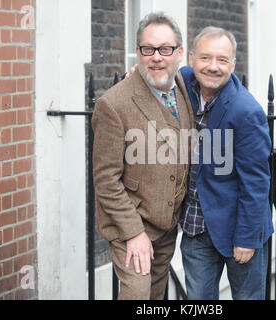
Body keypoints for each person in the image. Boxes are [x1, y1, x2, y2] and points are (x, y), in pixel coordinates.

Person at [91, 12, 193, 300]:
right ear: (138, 52)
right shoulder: (112, 104)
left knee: (156, 298)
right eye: (148, 49)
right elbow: (105, 180)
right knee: (137, 294)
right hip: (131, 225)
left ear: (179, 53)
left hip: (167, 225)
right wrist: (134, 233)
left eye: (165, 49)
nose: (157, 57)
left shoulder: (185, 86)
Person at [179, 26, 273, 300]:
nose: (213, 66)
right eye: (206, 58)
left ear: (233, 64)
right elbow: (158, 70)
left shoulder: (246, 111)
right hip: (196, 226)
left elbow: (255, 183)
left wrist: (246, 237)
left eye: (222, 60)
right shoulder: (184, 81)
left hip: (238, 229)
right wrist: (134, 73)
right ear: (192, 59)